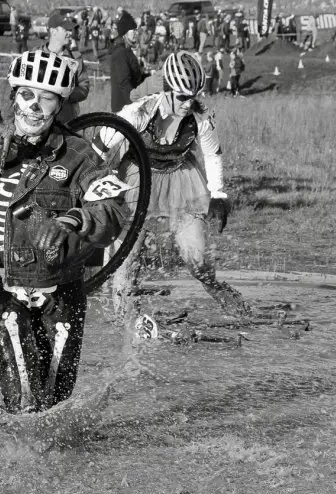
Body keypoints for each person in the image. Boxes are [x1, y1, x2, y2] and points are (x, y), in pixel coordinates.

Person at [0, 50, 128, 414]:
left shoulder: (79, 154)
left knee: (56, 402)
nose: (35, 106)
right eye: (27, 95)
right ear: (14, 95)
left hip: (61, 288)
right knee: (21, 398)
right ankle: (13, 463)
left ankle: (54, 467)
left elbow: (113, 208)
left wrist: (72, 221)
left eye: (47, 98)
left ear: (60, 106)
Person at [98, 51, 249, 321]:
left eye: (193, 97)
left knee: (197, 259)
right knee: (127, 258)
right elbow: (101, 141)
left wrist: (218, 195)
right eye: (181, 97)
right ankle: (124, 321)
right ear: (166, 90)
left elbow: (213, 153)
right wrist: (92, 183)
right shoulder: (141, 111)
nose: (187, 103)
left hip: (182, 181)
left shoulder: (201, 117)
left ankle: (224, 295)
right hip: (138, 180)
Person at [36, 11, 89, 124]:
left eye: (70, 30)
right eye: (65, 30)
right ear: (53, 32)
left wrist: (66, 95)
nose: (70, 33)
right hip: (37, 120)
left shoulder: (75, 58)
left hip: (66, 122)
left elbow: (84, 88)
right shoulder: (35, 56)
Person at [109, 9, 148, 112]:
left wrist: (149, 76)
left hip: (129, 105)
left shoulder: (127, 51)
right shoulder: (120, 53)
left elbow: (135, 79)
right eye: (133, 30)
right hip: (124, 109)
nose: (136, 33)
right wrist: (136, 105)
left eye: (136, 30)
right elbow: (125, 83)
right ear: (124, 34)